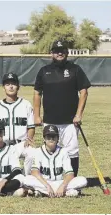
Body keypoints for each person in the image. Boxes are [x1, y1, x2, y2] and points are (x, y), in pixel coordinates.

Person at [33, 40, 91, 177]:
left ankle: (72, 179)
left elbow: (84, 91)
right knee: (50, 149)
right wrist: (36, 115)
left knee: (72, 151)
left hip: (70, 121)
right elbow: (37, 93)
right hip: (50, 120)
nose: (60, 53)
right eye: (56, 51)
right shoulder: (44, 71)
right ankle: (52, 177)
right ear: (51, 53)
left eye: (62, 50)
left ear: (67, 52)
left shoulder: (75, 69)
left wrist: (78, 114)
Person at [24, 125, 87, 197]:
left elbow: (70, 174)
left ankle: (42, 192)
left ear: (58, 139)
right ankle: (67, 192)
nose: (51, 139)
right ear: (44, 139)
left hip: (59, 183)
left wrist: (62, 186)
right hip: (44, 183)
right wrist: (47, 186)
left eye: (53, 137)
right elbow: (34, 172)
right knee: (26, 179)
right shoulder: (38, 151)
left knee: (83, 180)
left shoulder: (63, 151)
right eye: (48, 137)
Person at [0, 73, 35, 175]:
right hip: (3, 144)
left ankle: (26, 178)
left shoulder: (26, 104)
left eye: (13, 84)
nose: (11, 86)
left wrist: (29, 139)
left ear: (18, 86)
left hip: (21, 143)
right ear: (3, 87)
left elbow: (31, 127)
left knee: (32, 153)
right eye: (7, 84)